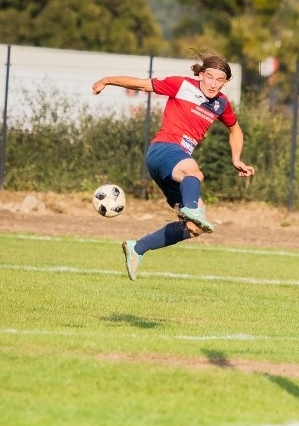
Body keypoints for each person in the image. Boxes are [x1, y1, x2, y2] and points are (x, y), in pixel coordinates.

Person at [92, 49, 255, 280]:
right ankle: (192, 207)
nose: (213, 84)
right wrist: (106, 80)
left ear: (226, 82)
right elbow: (140, 85)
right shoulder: (180, 85)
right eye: (209, 76)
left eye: (219, 80)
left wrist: (236, 158)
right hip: (163, 149)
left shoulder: (221, 104)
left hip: (173, 165)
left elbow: (235, 129)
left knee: (194, 227)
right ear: (201, 75)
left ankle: (137, 248)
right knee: (194, 173)